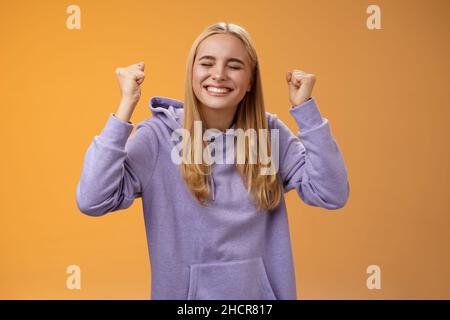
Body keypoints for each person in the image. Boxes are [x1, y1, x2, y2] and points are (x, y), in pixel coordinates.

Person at [76, 22, 350, 300]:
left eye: (234, 66)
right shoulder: (157, 137)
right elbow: (92, 199)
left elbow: (332, 193)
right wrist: (125, 106)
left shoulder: (269, 135)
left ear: (250, 80)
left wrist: (306, 110)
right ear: (192, 73)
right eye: (207, 63)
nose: (219, 75)